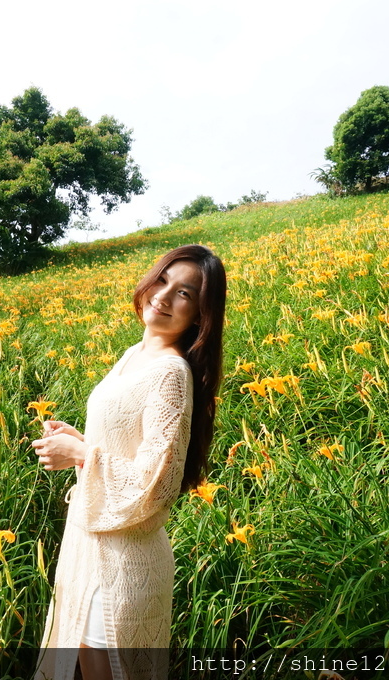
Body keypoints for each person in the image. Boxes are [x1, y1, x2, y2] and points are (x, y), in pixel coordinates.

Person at [31, 244, 227, 680]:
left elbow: (156, 483)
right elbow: (127, 448)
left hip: (123, 568)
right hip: (90, 550)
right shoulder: (132, 356)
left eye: (185, 293)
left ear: (200, 314)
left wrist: (83, 455)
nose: (164, 295)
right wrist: (81, 443)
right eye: (163, 280)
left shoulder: (171, 373)